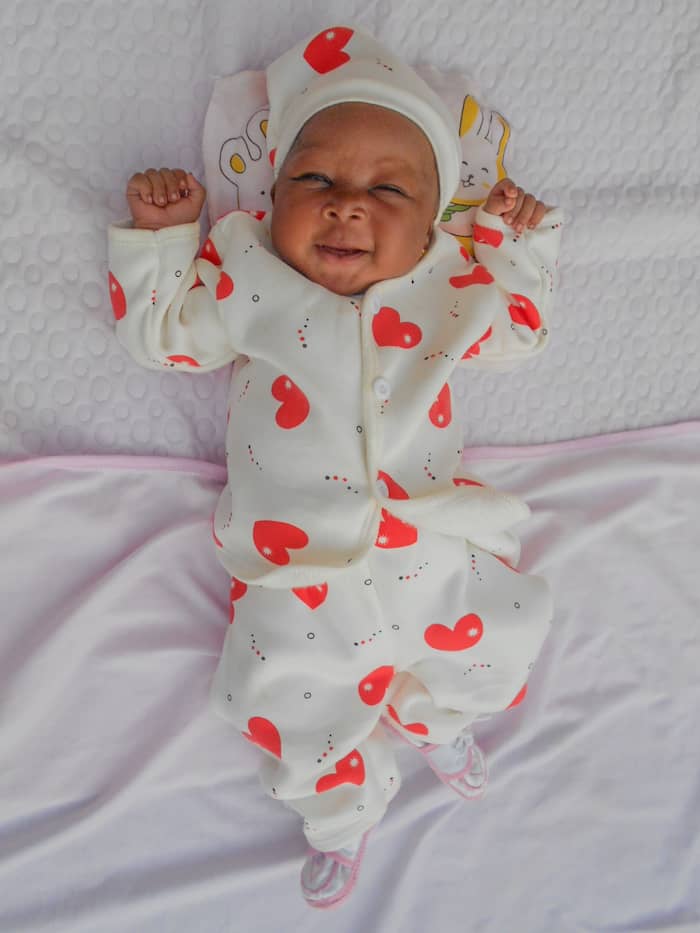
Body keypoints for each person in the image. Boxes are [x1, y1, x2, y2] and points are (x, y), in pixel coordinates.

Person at [107, 25, 563, 909]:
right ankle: (342, 813)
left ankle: (438, 719)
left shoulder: (449, 284)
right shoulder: (245, 274)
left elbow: (520, 333)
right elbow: (166, 341)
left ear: (435, 221)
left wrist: (516, 246)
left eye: (389, 188)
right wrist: (162, 241)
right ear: (272, 195)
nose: (348, 204)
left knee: (481, 637)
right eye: (315, 179)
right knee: (293, 698)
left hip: (427, 536)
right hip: (294, 566)